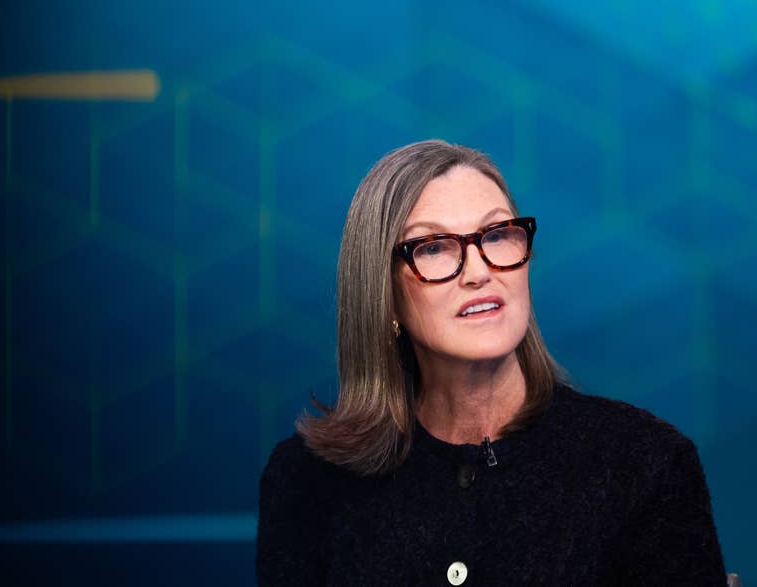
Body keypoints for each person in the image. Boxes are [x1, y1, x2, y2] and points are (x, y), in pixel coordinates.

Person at [256, 140, 727, 585]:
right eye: (433, 247)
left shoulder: (645, 464)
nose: (479, 272)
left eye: (497, 235)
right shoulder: (306, 479)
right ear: (384, 294)